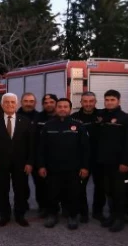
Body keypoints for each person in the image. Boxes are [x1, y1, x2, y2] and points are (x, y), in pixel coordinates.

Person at [37, 98, 90, 230]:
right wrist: (41, 165)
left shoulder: (78, 126)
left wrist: (85, 167)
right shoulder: (48, 126)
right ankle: (52, 215)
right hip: (52, 168)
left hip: (73, 168)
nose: (62, 109)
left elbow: (85, 148)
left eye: (65, 107)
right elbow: (41, 148)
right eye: (60, 106)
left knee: (73, 193)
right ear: (56, 108)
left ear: (70, 109)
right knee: (52, 193)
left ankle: (72, 216)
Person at [0, 93, 35, 226]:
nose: (9, 104)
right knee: (2, 190)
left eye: (12, 102)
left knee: (20, 190)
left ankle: (20, 215)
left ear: (17, 104)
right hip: (0, 163)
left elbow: (31, 144)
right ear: (2, 105)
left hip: (21, 163)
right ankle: (5, 215)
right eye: (6, 102)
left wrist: (30, 162)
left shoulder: (25, 121)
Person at [96, 90, 128, 232]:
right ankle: (112, 216)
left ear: (118, 101)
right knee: (109, 191)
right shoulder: (101, 116)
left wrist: (125, 162)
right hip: (104, 162)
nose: (109, 102)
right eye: (107, 100)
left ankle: (120, 218)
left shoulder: (125, 118)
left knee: (119, 192)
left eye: (112, 100)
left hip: (119, 163)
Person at [72, 92, 104, 223]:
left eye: (91, 101)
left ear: (95, 102)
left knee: (100, 186)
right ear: (81, 102)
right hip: (82, 159)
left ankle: (98, 212)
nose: (88, 104)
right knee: (80, 187)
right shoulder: (74, 118)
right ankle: (83, 213)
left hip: (99, 158)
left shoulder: (102, 116)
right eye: (85, 101)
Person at [32, 94, 58, 218]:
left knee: (57, 185)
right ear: (42, 105)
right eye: (46, 103)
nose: (49, 105)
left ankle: (58, 207)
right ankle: (43, 207)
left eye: (51, 102)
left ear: (56, 103)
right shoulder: (37, 118)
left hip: (57, 158)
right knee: (41, 185)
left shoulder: (62, 117)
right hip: (40, 158)